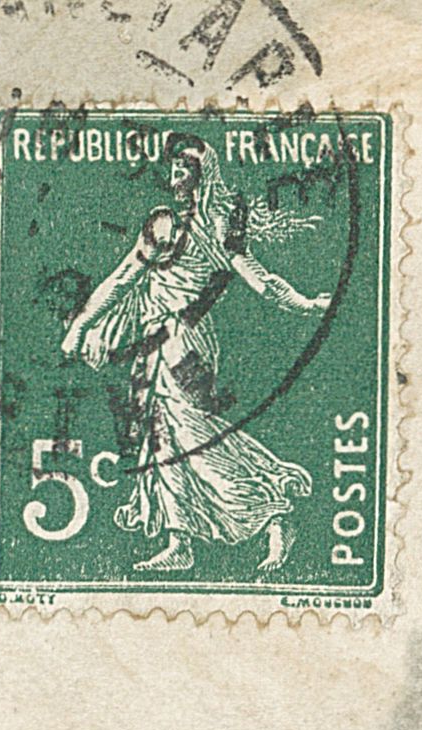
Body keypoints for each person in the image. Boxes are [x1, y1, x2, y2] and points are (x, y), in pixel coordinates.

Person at [61, 135, 332, 575]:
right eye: (172, 169)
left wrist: (305, 303)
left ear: (203, 175)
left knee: (189, 435)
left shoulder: (220, 230)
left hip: (183, 343)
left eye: (183, 169)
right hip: (154, 340)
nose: (175, 177)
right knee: (163, 437)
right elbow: (122, 278)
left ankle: (271, 512)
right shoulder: (162, 224)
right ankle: (181, 539)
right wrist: (82, 324)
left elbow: (261, 281)